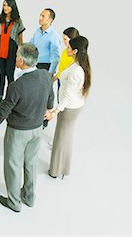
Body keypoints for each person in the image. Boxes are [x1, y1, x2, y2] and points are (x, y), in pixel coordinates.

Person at [0, 43, 54, 212]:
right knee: (31, 164)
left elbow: (4, 110)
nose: (15, 58)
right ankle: (29, 197)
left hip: (18, 131)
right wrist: (48, 111)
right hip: (37, 129)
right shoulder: (46, 76)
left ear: (22, 61)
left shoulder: (16, 86)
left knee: (13, 165)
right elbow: (50, 98)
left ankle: (14, 202)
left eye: (17, 56)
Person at [45, 36, 92, 179]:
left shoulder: (76, 71)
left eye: (69, 47)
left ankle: (55, 170)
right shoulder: (78, 65)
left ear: (75, 51)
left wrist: (55, 111)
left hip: (68, 109)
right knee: (66, 137)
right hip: (74, 106)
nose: (67, 49)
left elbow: (67, 95)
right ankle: (62, 168)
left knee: (61, 138)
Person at [0, 0, 25, 109]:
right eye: (4, 5)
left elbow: (20, 40)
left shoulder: (18, 21)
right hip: (0, 52)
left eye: (8, 5)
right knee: (1, 76)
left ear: (13, 7)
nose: (5, 7)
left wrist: (20, 55)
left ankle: (11, 99)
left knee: (10, 77)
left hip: (12, 53)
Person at [29, 8, 61, 75]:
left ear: (50, 20)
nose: (40, 18)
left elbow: (55, 57)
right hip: (35, 64)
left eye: (43, 16)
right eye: (40, 15)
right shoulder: (37, 31)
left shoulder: (53, 35)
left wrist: (51, 72)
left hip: (46, 66)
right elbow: (30, 45)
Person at [53, 27, 80, 100]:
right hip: (60, 80)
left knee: (64, 101)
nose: (63, 41)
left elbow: (67, 72)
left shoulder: (74, 57)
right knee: (59, 100)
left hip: (67, 83)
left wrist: (54, 79)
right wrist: (55, 78)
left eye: (65, 39)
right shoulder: (65, 52)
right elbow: (61, 69)